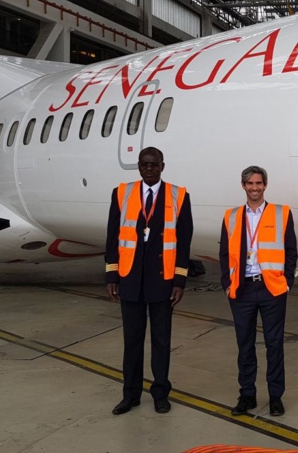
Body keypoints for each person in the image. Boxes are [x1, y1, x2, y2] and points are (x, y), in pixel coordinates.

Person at [105, 147, 193, 415]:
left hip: (163, 281)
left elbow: (183, 240)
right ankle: (130, 394)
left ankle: (160, 393)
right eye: (144, 164)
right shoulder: (122, 193)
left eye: (154, 165)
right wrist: (112, 274)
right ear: (139, 167)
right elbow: (112, 235)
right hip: (130, 279)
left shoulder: (179, 196)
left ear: (162, 166)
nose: (149, 169)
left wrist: (179, 280)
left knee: (161, 341)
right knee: (132, 341)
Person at [220, 165, 297, 417]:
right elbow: (224, 254)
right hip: (242, 289)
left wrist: (286, 282)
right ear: (243, 186)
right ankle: (247, 395)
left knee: (274, 344)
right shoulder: (231, 216)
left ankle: (275, 396)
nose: (255, 188)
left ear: (265, 185)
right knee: (245, 345)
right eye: (250, 184)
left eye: (259, 184)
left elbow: (291, 251)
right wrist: (226, 283)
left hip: (271, 289)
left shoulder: (282, 213)